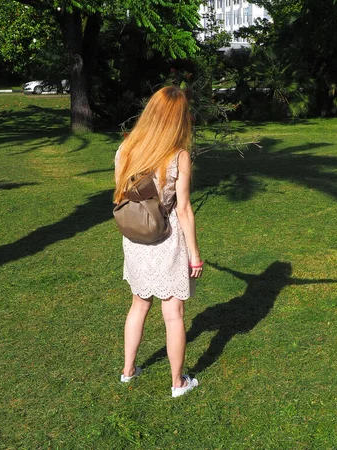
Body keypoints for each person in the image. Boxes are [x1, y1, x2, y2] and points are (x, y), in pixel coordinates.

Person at [113, 86, 203, 398]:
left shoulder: (125, 150)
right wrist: (195, 255)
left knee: (139, 304)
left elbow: (123, 194)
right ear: (179, 120)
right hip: (167, 237)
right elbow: (184, 209)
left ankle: (128, 371)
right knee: (173, 313)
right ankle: (178, 383)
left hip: (136, 236)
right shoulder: (178, 156)